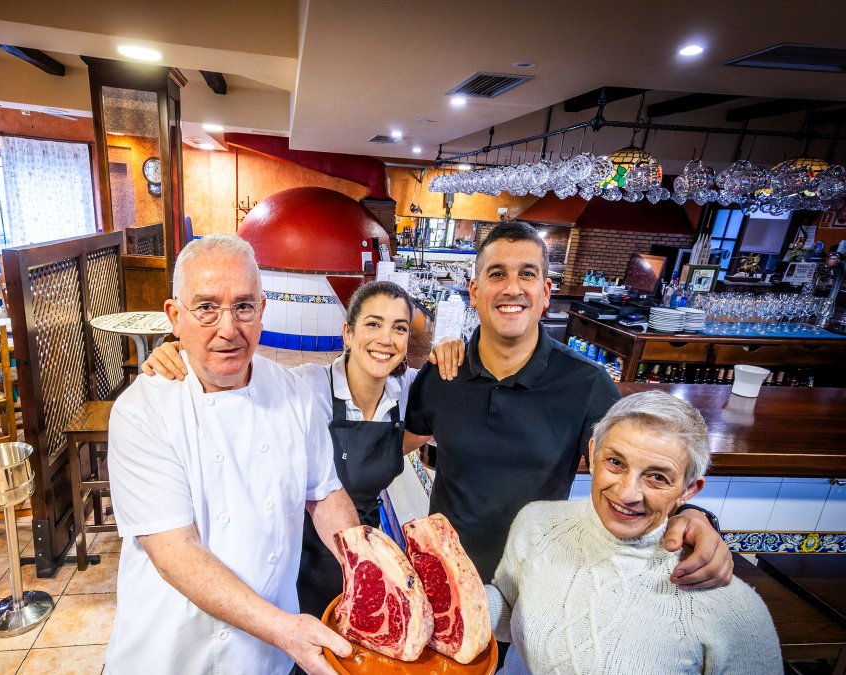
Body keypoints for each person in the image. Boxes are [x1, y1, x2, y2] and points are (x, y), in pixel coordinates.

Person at [404, 221, 732, 587]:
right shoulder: (443, 372)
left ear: (545, 292)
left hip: (532, 581)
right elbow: (393, 446)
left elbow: (642, 468)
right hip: (444, 574)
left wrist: (693, 515)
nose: (512, 288)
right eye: (497, 274)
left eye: (526, 274)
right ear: (475, 291)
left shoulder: (586, 384)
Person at [105, 234, 360, 675]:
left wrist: (365, 567)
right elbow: (176, 552)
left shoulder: (294, 393)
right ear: (175, 316)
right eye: (206, 307)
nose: (228, 329)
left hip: (268, 656)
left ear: (262, 311)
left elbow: (324, 494)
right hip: (172, 654)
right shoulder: (142, 411)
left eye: (243, 306)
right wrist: (284, 629)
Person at [142, 280, 465, 619]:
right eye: (373, 324)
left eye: (399, 328)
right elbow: (234, 389)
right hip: (298, 551)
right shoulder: (307, 386)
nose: (386, 338)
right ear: (348, 334)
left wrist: (450, 352)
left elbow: (452, 417)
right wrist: (182, 355)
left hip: (363, 547)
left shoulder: (408, 390)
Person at [486, 391, 782, 673]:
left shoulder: (736, 612)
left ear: (689, 489)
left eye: (657, 477)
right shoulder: (536, 522)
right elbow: (509, 611)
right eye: (615, 462)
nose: (627, 494)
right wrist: (459, 598)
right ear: (593, 452)